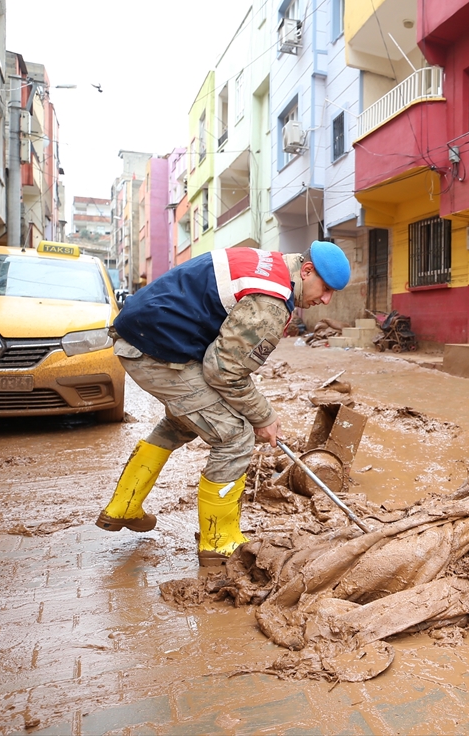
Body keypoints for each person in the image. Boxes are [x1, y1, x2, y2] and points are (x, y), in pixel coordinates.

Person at [96, 242, 351, 566]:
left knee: (183, 421)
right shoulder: (271, 303)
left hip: (149, 337)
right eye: (325, 289)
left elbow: (229, 363)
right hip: (155, 351)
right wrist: (262, 416)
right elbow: (224, 371)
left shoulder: (269, 265)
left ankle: (123, 506)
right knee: (234, 435)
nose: (325, 300)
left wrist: (254, 407)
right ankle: (219, 542)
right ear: (306, 271)